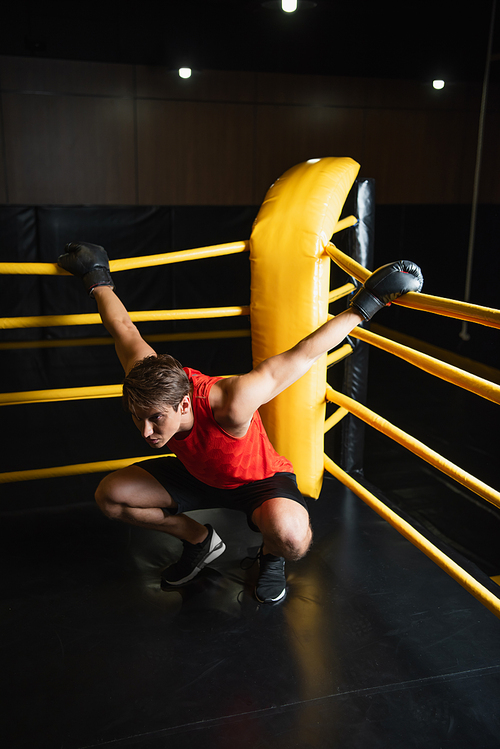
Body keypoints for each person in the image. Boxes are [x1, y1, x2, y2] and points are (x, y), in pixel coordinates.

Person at [58, 242, 423, 605]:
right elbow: (123, 327)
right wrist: (97, 277)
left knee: (294, 540)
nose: (146, 432)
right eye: (138, 420)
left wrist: (370, 301)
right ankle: (200, 541)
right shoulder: (147, 378)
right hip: (197, 475)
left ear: (184, 403)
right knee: (111, 497)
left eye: (156, 420)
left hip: (257, 482)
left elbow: (303, 354)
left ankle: (270, 553)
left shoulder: (232, 402)